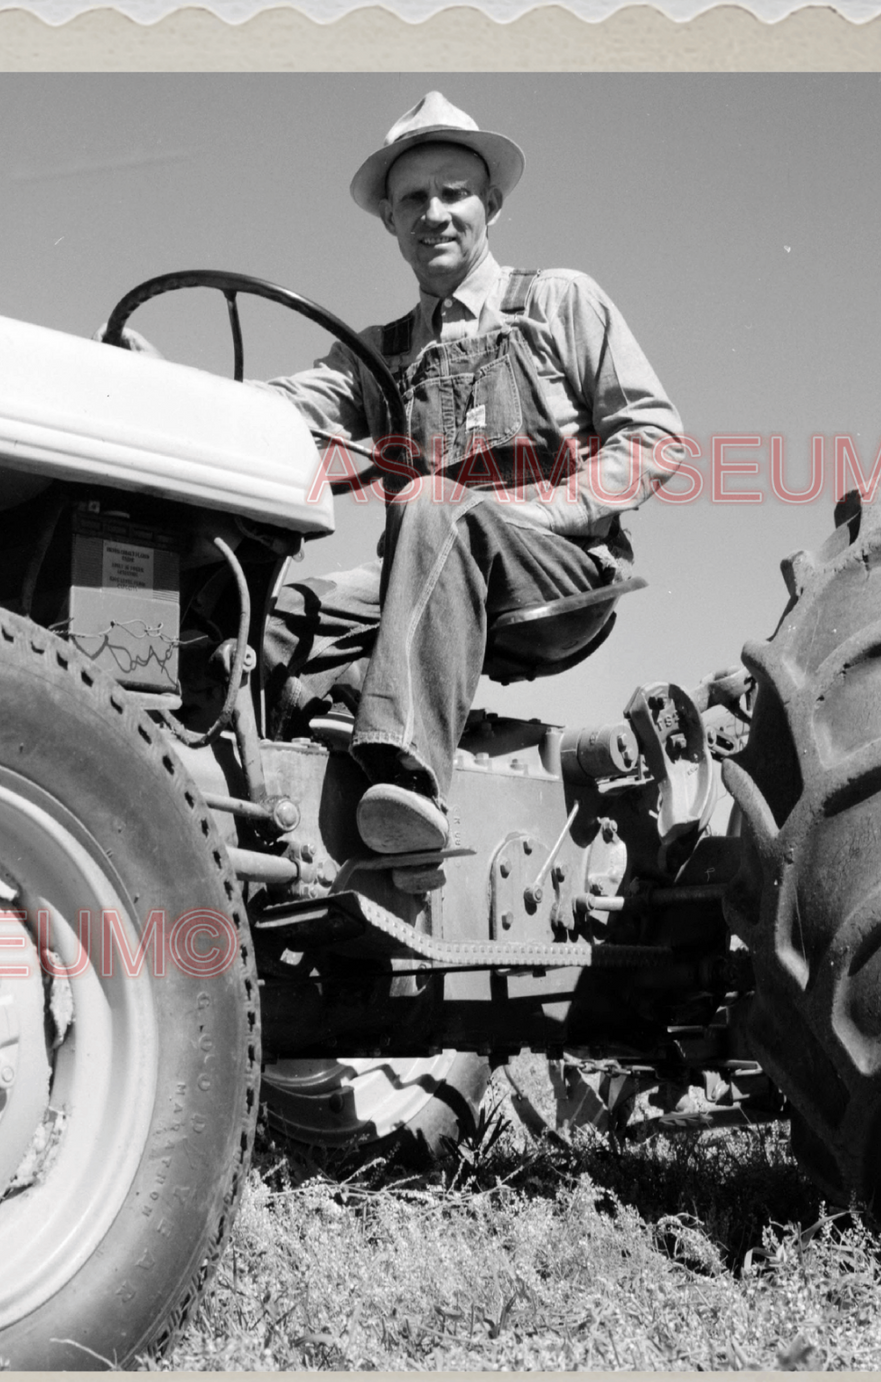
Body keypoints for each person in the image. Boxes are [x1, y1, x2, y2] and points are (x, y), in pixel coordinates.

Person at [261, 92, 685, 857]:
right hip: (426, 571)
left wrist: (552, 512)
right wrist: (168, 389)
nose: (435, 213)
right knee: (276, 617)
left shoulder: (557, 301)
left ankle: (406, 785)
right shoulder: (376, 351)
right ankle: (260, 770)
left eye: (453, 192)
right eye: (412, 198)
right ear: (389, 221)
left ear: (489, 203)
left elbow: (652, 436)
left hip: (557, 574)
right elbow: (286, 406)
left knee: (433, 503)